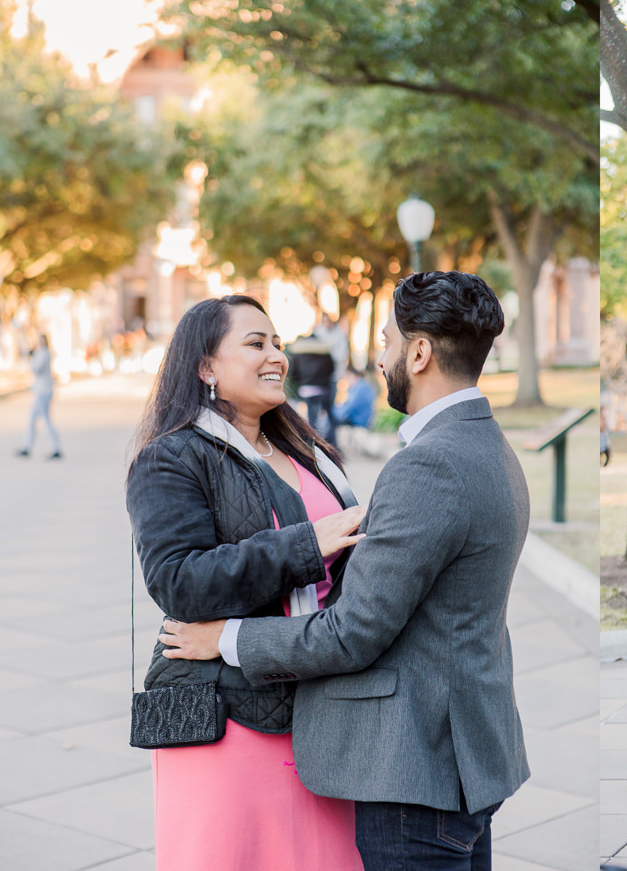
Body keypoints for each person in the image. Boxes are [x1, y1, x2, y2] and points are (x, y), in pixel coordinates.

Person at [159, 271, 531, 871]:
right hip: (457, 755)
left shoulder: (427, 465)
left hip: (415, 765)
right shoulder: (487, 445)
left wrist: (223, 637)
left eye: (386, 342)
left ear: (419, 351)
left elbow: (352, 632)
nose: (381, 359)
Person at [124, 294, 369, 869]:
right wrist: (309, 543)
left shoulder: (305, 450)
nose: (276, 356)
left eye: (277, 343)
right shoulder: (172, 458)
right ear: (206, 367)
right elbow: (177, 580)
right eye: (255, 343)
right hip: (228, 717)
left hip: (316, 702)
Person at [288, 327, 338, 448]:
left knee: (311, 419)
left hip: (306, 390)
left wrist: (302, 381)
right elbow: (332, 369)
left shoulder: (299, 352)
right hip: (322, 389)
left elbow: (293, 372)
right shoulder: (325, 352)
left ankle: (312, 444)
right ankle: (331, 443)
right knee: (328, 417)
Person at [15, 333, 63, 459]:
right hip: (42, 392)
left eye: (42, 340)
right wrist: (32, 356)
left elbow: (36, 369)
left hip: (43, 393)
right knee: (33, 420)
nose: (41, 342)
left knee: (45, 421)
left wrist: (30, 358)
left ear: (46, 341)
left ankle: (56, 447)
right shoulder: (41, 353)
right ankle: (27, 447)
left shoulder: (44, 354)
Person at [332, 366, 378, 433]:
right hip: (362, 422)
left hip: (358, 424)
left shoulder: (359, 388)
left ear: (353, 376)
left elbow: (348, 408)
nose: (346, 380)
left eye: (347, 377)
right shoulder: (364, 385)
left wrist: (335, 410)